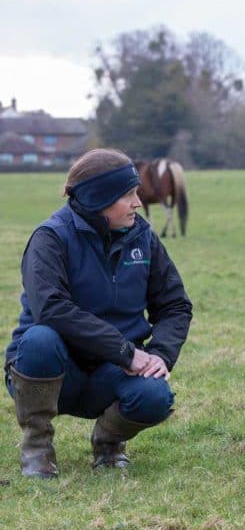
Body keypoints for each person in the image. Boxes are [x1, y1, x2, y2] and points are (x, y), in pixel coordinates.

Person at [4, 148, 193, 478]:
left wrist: (159, 355)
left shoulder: (143, 237)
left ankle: (108, 443)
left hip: (112, 372)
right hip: (55, 369)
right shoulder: (50, 238)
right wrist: (126, 352)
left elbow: (175, 305)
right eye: (129, 195)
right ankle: (37, 446)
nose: (138, 202)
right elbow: (52, 309)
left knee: (155, 395)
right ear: (97, 199)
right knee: (39, 339)